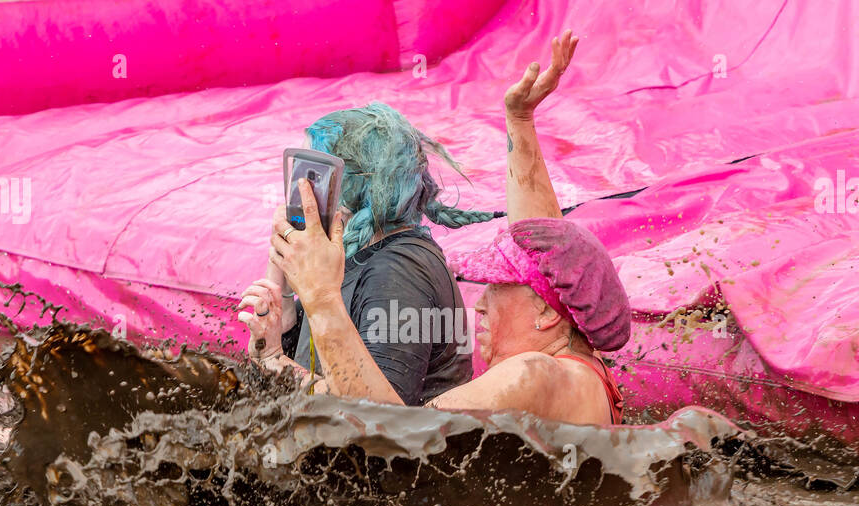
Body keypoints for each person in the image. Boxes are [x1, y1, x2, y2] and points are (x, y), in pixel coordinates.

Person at [273, 31, 632, 427]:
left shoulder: (532, 374)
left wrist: (320, 300)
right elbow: (546, 250)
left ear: (546, 313)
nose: (477, 304)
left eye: (496, 288)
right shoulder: (582, 373)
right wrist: (520, 120)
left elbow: (389, 432)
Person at [236, 104, 499, 406]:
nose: (300, 193)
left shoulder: (400, 271)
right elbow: (303, 377)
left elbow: (380, 418)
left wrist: (273, 360)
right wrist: (281, 295)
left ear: (355, 184)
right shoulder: (349, 260)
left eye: (313, 179)